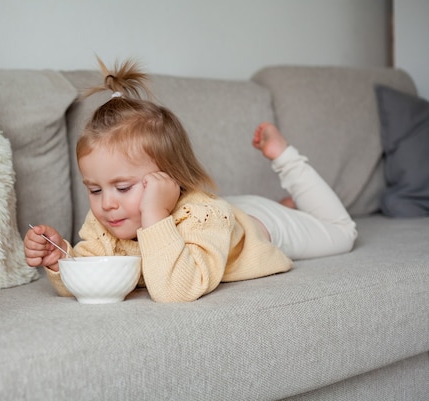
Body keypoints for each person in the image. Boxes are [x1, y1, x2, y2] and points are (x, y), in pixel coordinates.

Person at [24, 58, 357, 303]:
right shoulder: (109, 219)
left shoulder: (199, 213)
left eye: (122, 187)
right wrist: (62, 259)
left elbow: (176, 291)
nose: (106, 203)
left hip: (261, 225)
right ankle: (289, 205)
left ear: (169, 178)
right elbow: (96, 275)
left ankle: (284, 157)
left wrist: (154, 215)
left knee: (343, 233)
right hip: (226, 215)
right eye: (94, 190)